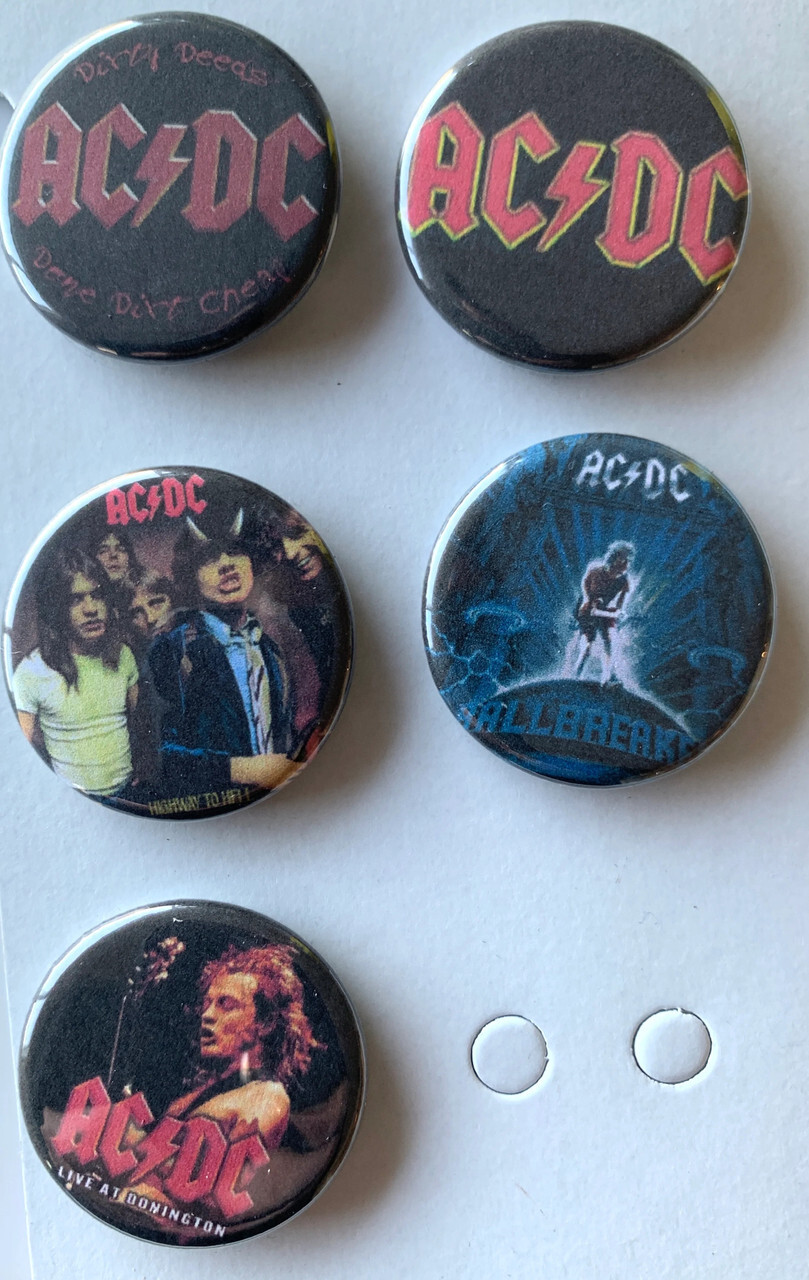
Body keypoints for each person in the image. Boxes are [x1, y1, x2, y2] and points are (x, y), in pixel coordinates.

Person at [148, 508, 298, 797]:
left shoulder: (270, 650)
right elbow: (155, 755)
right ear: (191, 577)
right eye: (209, 558)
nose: (226, 564)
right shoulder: (172, 650)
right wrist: (240, 770)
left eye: (235, 552)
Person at [11, 547, 139, 796]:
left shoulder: (123, 654)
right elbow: (20, 750)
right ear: (57, 609)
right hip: (73, 799)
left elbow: (138, 723)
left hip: (128, 795)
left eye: (97, 595)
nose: (91, 609)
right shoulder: (32, 670)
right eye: (75, 599)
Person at [567, 541, 634, 685]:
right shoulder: (595, 570)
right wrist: (587, 600)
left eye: (627, 561)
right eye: (623, 560)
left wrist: (618, 613)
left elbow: (620, 605)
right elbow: (585, 588)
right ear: (614, 558)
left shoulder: (624, 581)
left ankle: (607, 677)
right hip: (587, 610)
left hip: (603, 611)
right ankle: (574, 677)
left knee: (610, 641)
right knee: (587, 647)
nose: (626, 564)